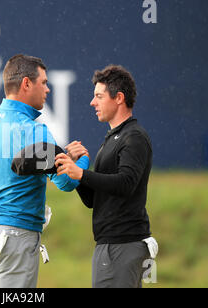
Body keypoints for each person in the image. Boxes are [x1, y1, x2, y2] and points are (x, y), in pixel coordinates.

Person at [0, 54, 90, 288]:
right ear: (26, 84)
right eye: (43, 82)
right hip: (15, 238)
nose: (48, 89)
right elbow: (65, 183)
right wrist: (81, 162)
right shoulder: (35, 131)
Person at [55, 65, 158, 288]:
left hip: (122, 245)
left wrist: (82, 173)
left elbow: (126, 183)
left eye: (99, 96)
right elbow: (94, 200)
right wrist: (76, 174)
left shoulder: (134, 137)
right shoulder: (113, 139)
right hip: (112, 244)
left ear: (119, 98)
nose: (93, 103)